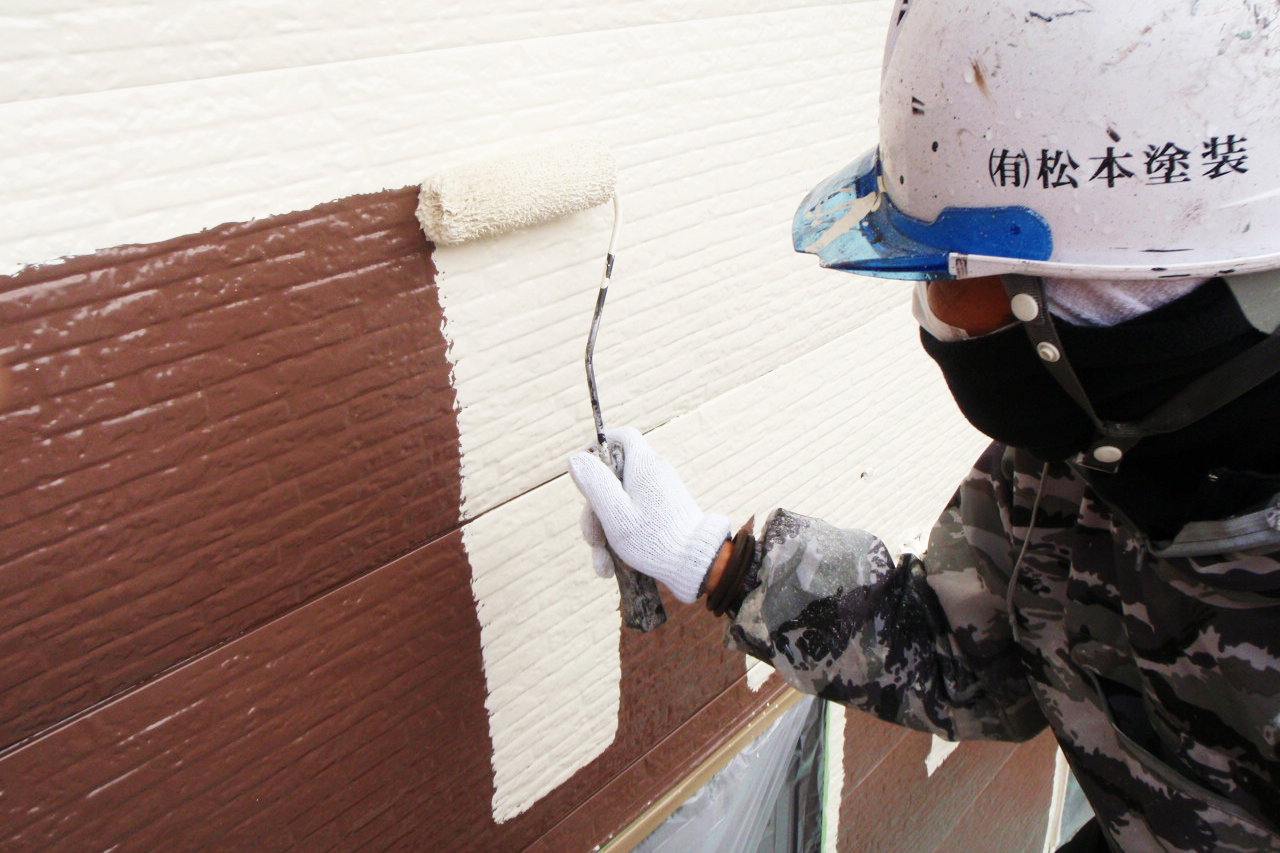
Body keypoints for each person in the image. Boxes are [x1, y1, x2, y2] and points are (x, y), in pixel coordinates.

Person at [568, 2, 1280, 851]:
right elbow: (964, 648)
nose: (932, 311)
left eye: (948, 272)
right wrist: (716, 563)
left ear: (1089, 300)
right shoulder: (1084, 455)